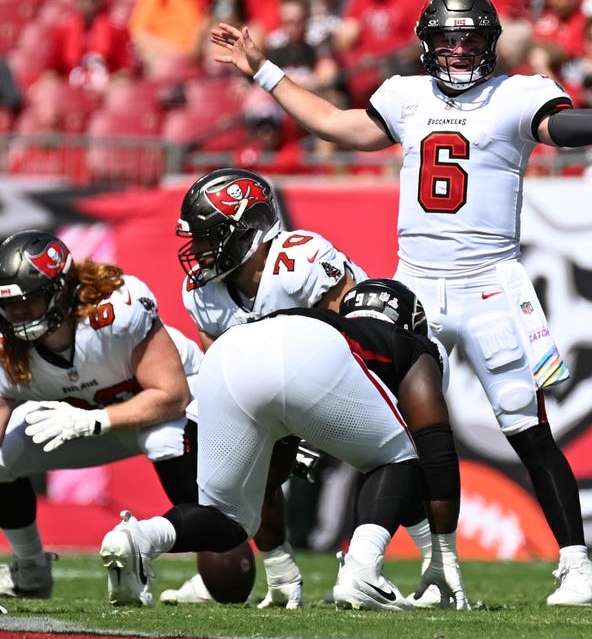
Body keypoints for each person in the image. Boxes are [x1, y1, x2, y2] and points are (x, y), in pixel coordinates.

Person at [209, 0, 592, 606]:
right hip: (413, 287)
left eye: (468, 40)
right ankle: (402, 565)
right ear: (426, 45)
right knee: (394, 434)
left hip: (488, 287)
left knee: (526, 429)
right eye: (445, 41)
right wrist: (261, 68)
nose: (455, 53)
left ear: (490, 45)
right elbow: (337, 125)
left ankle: (577, 569)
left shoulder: (515, 97)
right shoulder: (406, 95)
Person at [99, 279, 468, 610]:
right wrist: (444, 558)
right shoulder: (412, 344)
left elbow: (269, 479)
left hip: (230, 351)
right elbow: (435, 450)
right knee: (401, 456)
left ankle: (139, 538)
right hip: (310, 355)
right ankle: (362, 569)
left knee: (230, 518)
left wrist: (279, 569)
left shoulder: (324, 328)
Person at [166, 168, 435, 607]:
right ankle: (280, 575)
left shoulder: (299, 258)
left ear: (248, 232)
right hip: (269, 393)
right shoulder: (203, 293)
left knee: (391, 458)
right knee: (235, 460)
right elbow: (219, 366)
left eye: (209, 236)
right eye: (195, 238)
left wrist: (309, 429)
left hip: (348, 375)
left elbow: (349, 336)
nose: (197, 251)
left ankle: (431, 566)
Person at [0, 230, 199, 601]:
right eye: (9, 305)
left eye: (30, 301)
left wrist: (94, 421)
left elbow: (173, 395)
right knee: (3, 459)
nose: (18, 314)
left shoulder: (112, 313)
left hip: (170, 408)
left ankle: (212, 559)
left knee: (163, 440)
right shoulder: (6, 345)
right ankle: (30, 572)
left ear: (60, 291)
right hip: (90, 423)